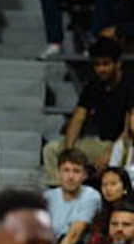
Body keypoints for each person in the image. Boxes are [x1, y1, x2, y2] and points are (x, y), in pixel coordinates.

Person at [42, 38, 132, 185]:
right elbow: (78, 118)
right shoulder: (93, 86)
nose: (101, 69)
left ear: (118, 64)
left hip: (124, 144)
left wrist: (110, 152)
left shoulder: (130, 85)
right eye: (97, 64)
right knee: (51, 150)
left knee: (118, 157)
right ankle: (62, 193)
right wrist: (68, 152)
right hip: (99, 143)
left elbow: (129, 130)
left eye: (106, 64)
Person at [46, 149, 102, 244]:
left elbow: (74, 235)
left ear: (84, 175)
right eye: (66, 170)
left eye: (76, 171)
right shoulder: (48, 196)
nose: (70, 176)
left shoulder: (91, 196)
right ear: (58, 173)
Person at [84, 166, 132, 244]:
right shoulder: (101, 216)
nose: (108, 189)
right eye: (104, 185)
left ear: (125, 188)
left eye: (113, 184)